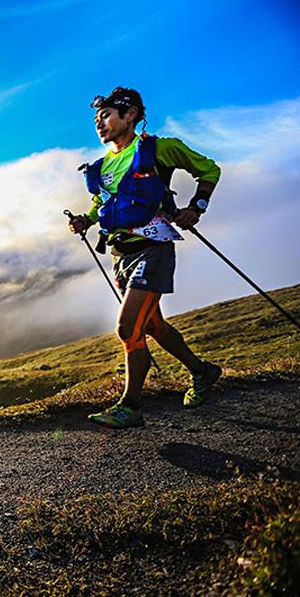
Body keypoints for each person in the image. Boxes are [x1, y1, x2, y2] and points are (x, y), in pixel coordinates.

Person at [68, 86, 223, 429]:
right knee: (151, 324)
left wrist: (196, 208)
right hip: (120, 253)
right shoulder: (103, 165)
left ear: (131, 114)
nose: (99, 123)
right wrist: (86, 220)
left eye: (106, 115)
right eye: (96, 119)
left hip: (153, 249)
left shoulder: (159, 148)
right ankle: (203, 371)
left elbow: (209, 171)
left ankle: (131, 406)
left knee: (127, 328)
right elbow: (105, 202)